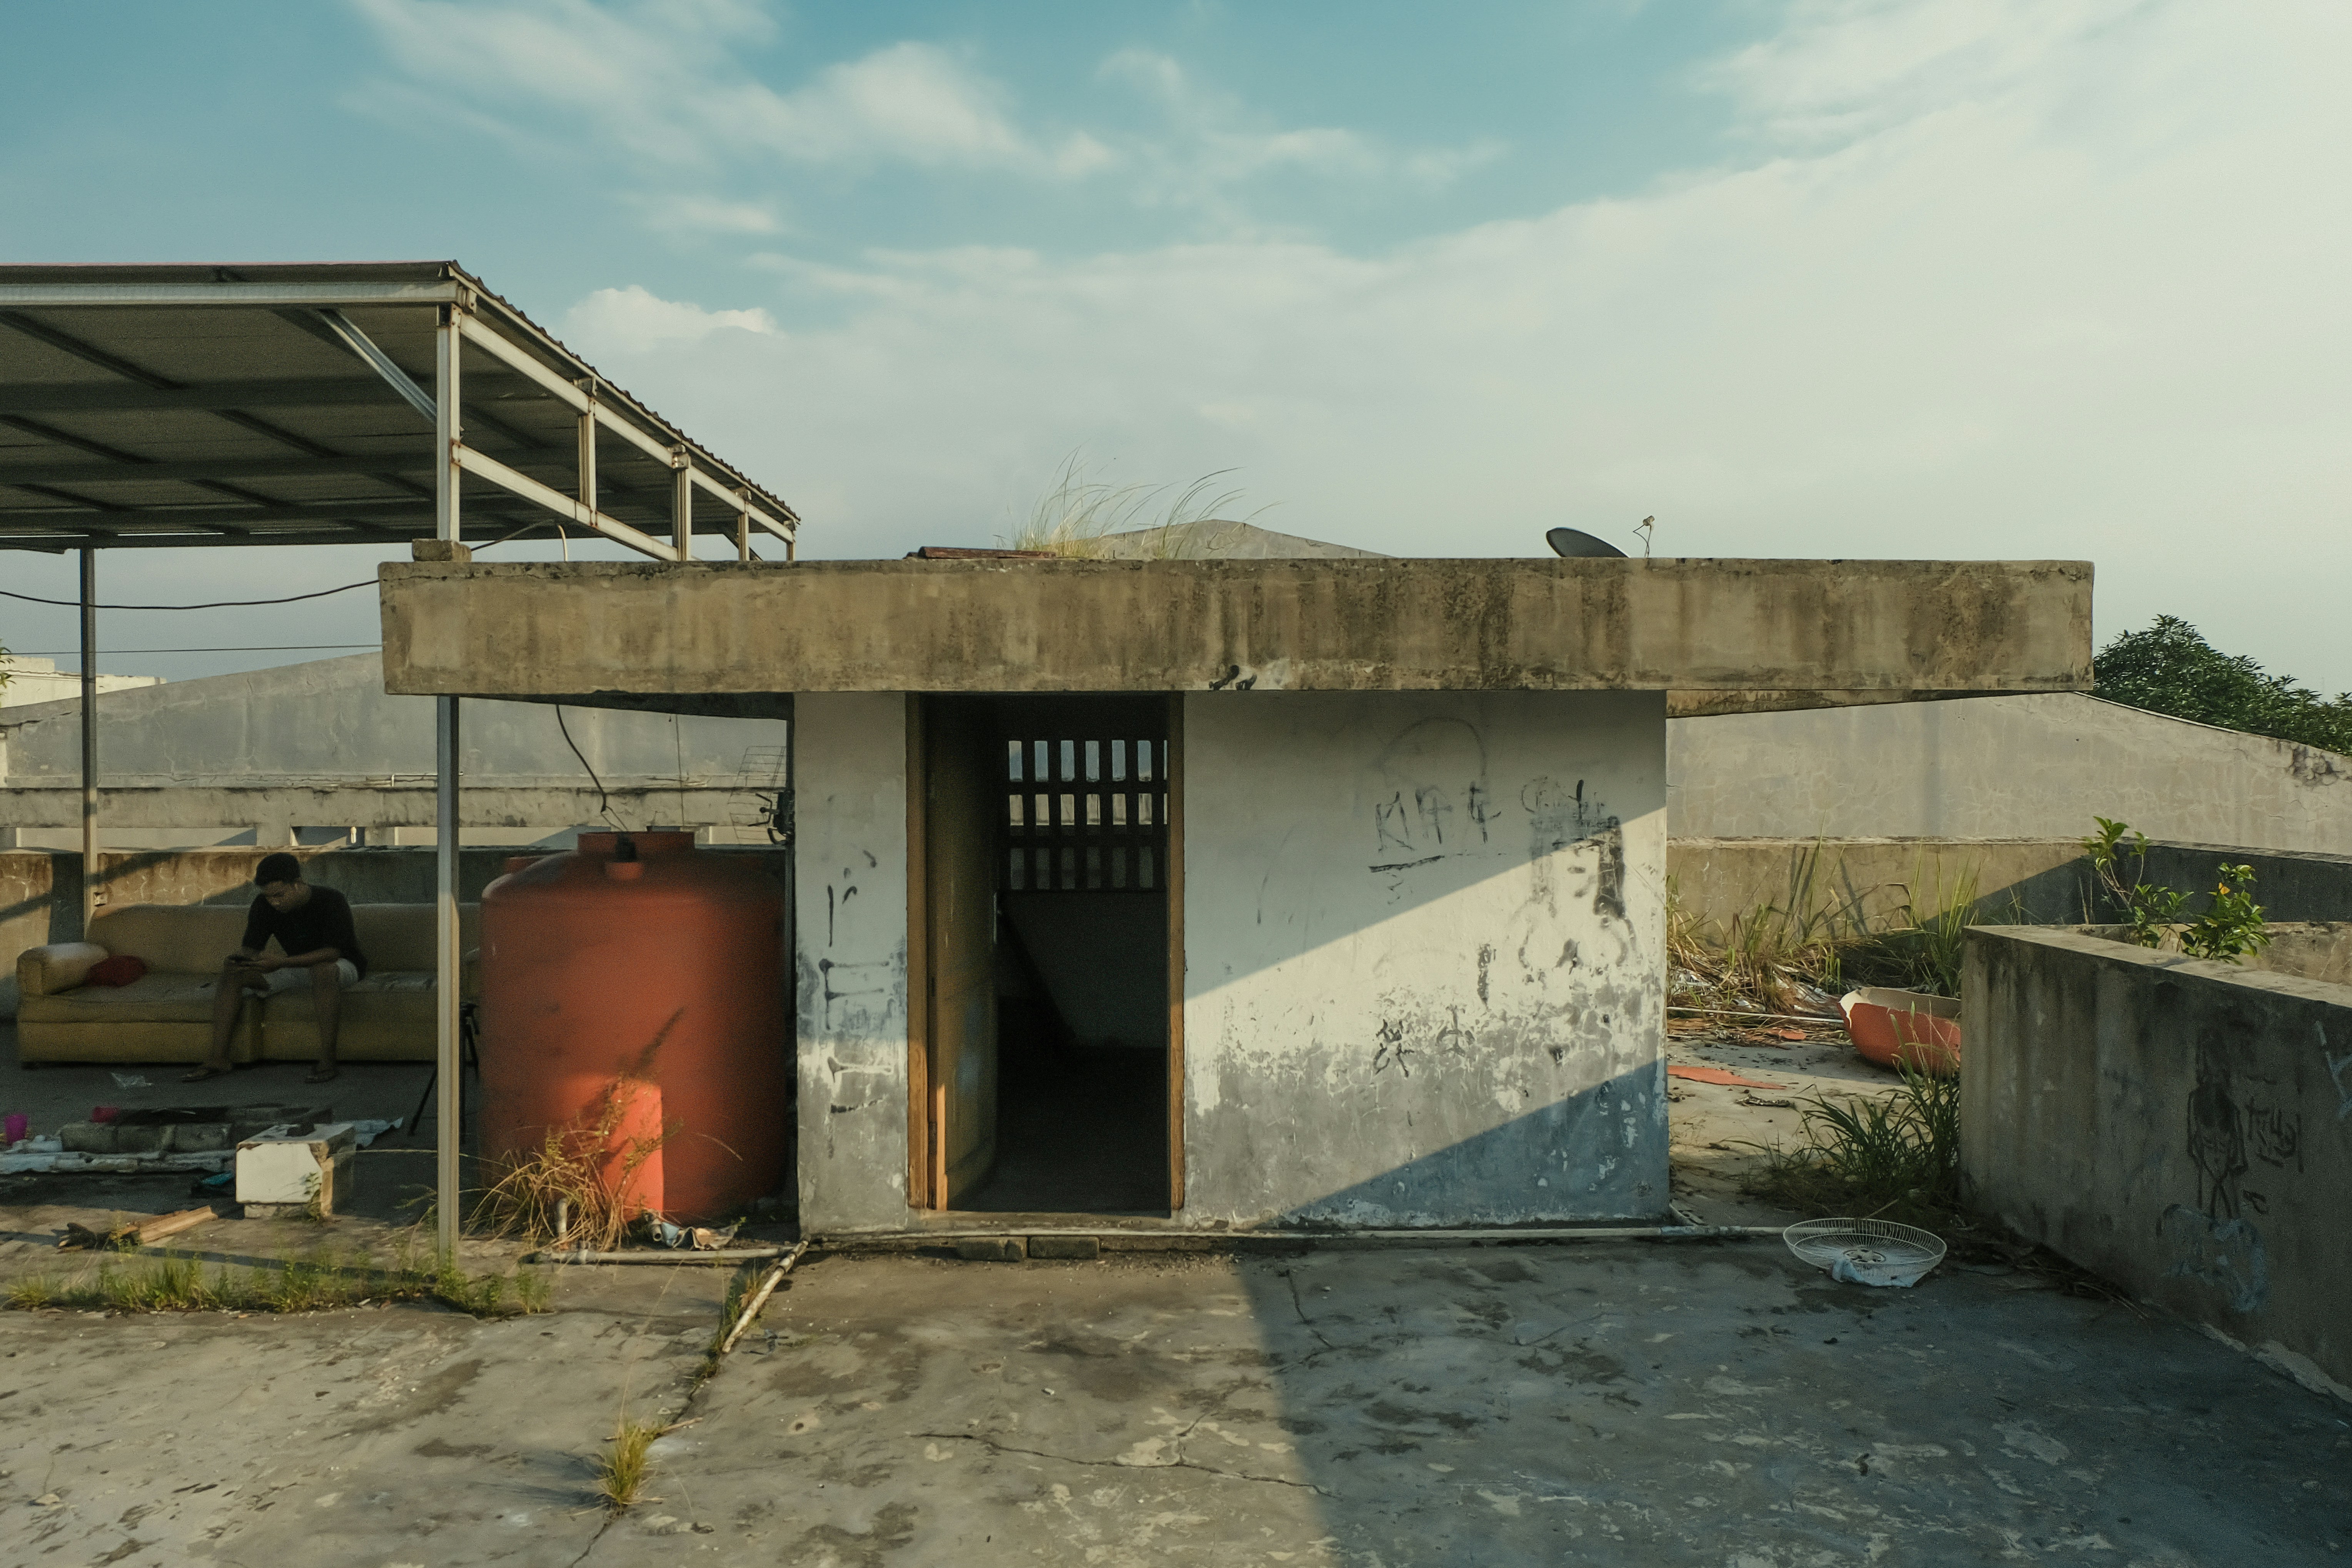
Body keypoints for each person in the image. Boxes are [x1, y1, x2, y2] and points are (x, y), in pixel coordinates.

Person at [183, 852, 367, 1086]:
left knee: (322, 970)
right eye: (268, 897)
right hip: (296, 966)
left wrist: (281, 963)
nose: (275, 902)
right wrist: (243, 961)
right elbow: (251, 948)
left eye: (279, 895)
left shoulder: (331, 900)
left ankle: (328, 1060)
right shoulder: (263, 905)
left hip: (342, 966)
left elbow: (333, 953)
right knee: (233, 972)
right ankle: (218, 1059)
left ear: (298, 884)